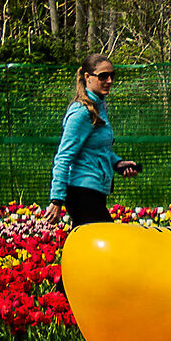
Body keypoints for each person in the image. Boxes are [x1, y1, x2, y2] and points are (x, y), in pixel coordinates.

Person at [47, 57, 138, 226]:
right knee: (108, 239)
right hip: (82, 192)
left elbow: (98, 149)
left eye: (112, 75)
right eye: (103, 76)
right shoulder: (81, 112)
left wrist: (118, 163)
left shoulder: (99, 107)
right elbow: (64, 157)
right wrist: (56, 199)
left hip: (95, 190)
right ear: (87, 77)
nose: (109, 81)